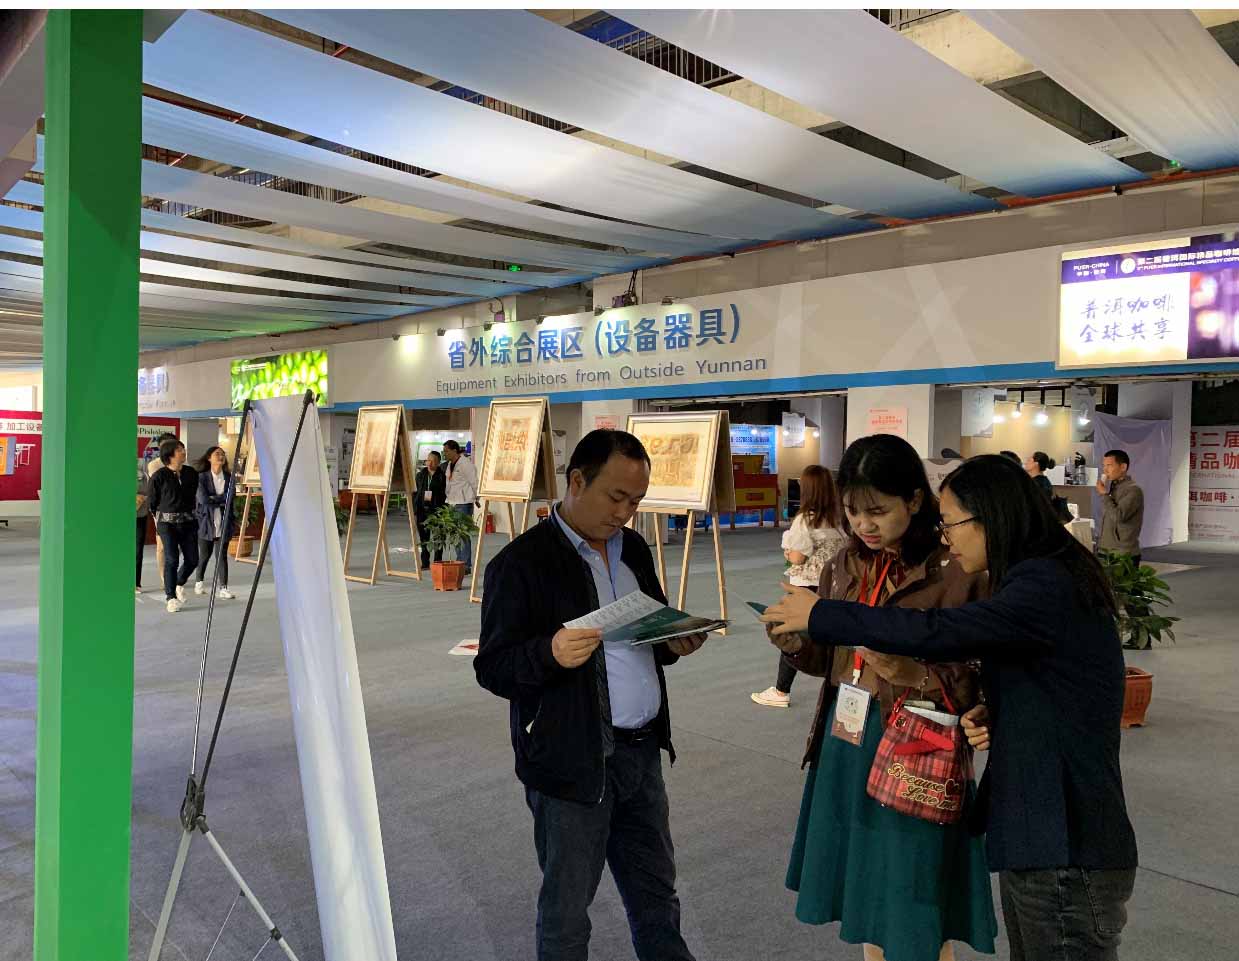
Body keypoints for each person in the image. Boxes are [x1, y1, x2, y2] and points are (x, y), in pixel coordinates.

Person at [765, 454, 1137, 961]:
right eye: (853, 511)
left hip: (1061, 838)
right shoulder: (1046, 573)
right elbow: (1048, 685)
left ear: (991, 517)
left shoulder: (1041, 582)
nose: (948, 537)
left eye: (952, 523)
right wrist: (994, 715)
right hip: (1038, 830)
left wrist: (825, 615)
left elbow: (940, 632)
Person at [475, 429, 707, 961]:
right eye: (616, 497)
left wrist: (672, 641)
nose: (625, 513)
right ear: (577, 481)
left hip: (642, 754)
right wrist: (549, 652)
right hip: (571, 762)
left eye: (636, 502)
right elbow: (493, 667)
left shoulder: (634, 550)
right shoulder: (521, 564)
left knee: (656, 895)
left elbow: (644, 634)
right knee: (567, 912)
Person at [762, 434, 997, 961]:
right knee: (867, 894)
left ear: (914, 500)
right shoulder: (844, 564)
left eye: (877, 511)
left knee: (914, 900)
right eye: (852, 511)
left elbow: (986, 674)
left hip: (919, 746)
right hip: (848, 738)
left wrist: (916, 673)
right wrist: (795, 643)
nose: (863, 524)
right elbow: (829, 659)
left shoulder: (955, 566)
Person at [751, 465, 848, 708]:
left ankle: (781, 690)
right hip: (833, 587)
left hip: (804, 588)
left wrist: (787, 552)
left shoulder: (805, 520)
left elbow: (797, 558)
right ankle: (838, 687)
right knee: (831, 639)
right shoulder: (839, 520)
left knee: (791, 638)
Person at [148, 439, 199, 613]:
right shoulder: (159, 476)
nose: (183, 452)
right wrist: (162, 517)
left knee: (193, 559)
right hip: (167, 524)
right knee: (172, 559)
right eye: (179, 450)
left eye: (183, 449)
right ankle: (170, 597)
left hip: (189, 522)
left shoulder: (191, 473)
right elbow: (152, 503)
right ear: (169, 455)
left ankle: (178, 583)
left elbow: (193, 496)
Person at [193, 446, 236, 600]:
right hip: (205, 521)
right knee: (205, 554)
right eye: (217, 454)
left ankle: (223, 588)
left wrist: (214, 498)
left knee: (221, 555)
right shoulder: (201, 477)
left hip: (224, 520)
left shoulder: (229, 477)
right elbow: (203, 499)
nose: (221, 456)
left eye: (223, 454)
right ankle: (199, 582)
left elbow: (230, 497)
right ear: (209, 458)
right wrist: (221, 499)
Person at [1097, 449, 1144, 566]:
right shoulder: (1113, 487)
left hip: (1123, 554)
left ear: (1123, 467)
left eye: (1109, 465)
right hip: (1106, 550)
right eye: (1104, 466)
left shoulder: (1133, 490)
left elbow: (1118, 517)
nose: (1105, 470)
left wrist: (1104, 495)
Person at [442, 439, 478, 574]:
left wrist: (476, 498)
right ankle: (459, 561)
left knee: (463, 534)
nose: (445, 453)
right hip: (452, 502)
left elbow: (474, 482)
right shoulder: (449, 464)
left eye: (446, 451)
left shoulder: (466, 464)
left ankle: (466, 565)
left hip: (463, 503)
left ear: (454, 450)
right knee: (455, 534)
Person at [147, 432, 177, 574]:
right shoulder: (154, 465)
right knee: (162, 545)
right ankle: (163, 577)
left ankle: (172, 573)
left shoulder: (183, 463)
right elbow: (161, 486)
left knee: (178, 545)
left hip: (180, 510)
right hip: (161, 509)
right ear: (160, 447)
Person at [414, 450, 447, 569]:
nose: (430, 463)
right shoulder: (420, 475)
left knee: (438, 537)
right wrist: (414, 509)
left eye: (433, 461)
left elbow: (446, 494)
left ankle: (437, 561)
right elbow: (415, 493)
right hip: (422, 510)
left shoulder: (443, 477)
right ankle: (425, 562)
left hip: (437, 510)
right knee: (424, 538)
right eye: (428, 460)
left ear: (438, 463)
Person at [136, 462, 151, 594]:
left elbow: (149, 492)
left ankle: (136, 582)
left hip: (140, 515)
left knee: (138, 549)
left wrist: (143, 498)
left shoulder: (144, 475)